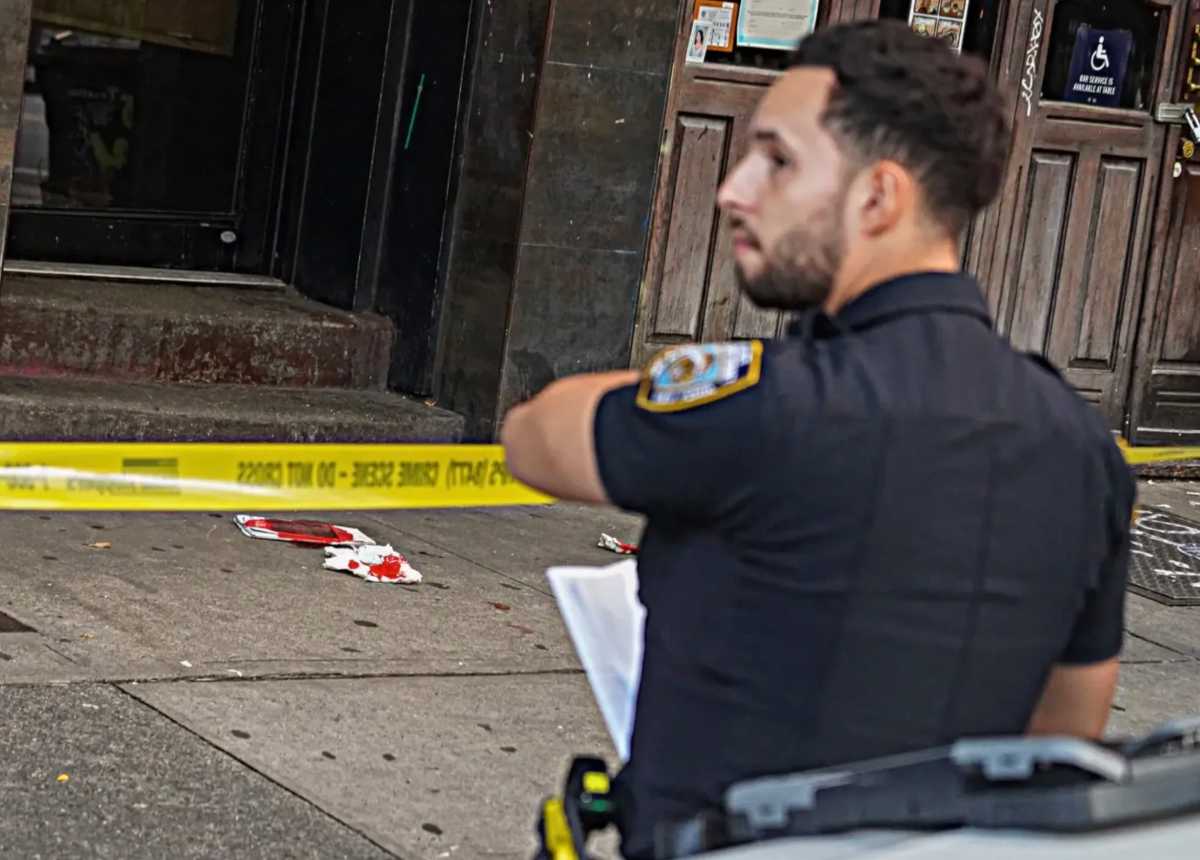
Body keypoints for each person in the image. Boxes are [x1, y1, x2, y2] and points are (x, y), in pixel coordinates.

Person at [502, 20, 1135, 859]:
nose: (733, 191)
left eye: (777, 160)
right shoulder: (1083, 447)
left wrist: (691, 390)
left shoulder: (772, 405)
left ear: (878, 198)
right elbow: (1065, 740)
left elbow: (533, 436)